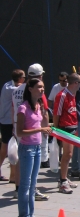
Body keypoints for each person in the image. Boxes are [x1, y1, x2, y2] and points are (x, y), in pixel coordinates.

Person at [16, 78, 52, 217]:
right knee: (25, 184)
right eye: (39, 87)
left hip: (37, 147)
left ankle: (31, 214)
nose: (42, 89)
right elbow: (20, 132)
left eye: (43, 87)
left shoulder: (39, 106)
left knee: (33, 184)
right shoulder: (23, 108)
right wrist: (40, 130)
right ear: (30, 89)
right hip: (27, 149)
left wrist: (46, 122)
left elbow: (44, 125)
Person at [12, 63, 50, 201]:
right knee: (29, 174)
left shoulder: (16, 89)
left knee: (18, 161)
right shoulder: (37, 90)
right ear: (40, 75)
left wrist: (13, 127)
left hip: (18, 126)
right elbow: (44, 112)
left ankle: (18, 188)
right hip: (30, 131)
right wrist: (44, 130)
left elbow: (12, 108)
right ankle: (29, 191)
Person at [53, 73, 80, 194]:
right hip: (65, 128)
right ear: (75, 83)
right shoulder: (62, 95)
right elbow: (56, 113)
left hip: (73, 127)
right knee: (67, 154)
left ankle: (64, 177)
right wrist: (56, 129)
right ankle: (63, 181)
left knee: (69, 154)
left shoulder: (72, 95)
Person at [0, 69, 26, 182]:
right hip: (8, 121)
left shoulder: (7, 84)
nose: (25, 79)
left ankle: (13, 175)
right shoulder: (13, 89)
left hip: (6, 120)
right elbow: (20, 91)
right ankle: (13, 176)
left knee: (8, 147)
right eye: (24, 77)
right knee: (9, 147)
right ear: (20, 78)